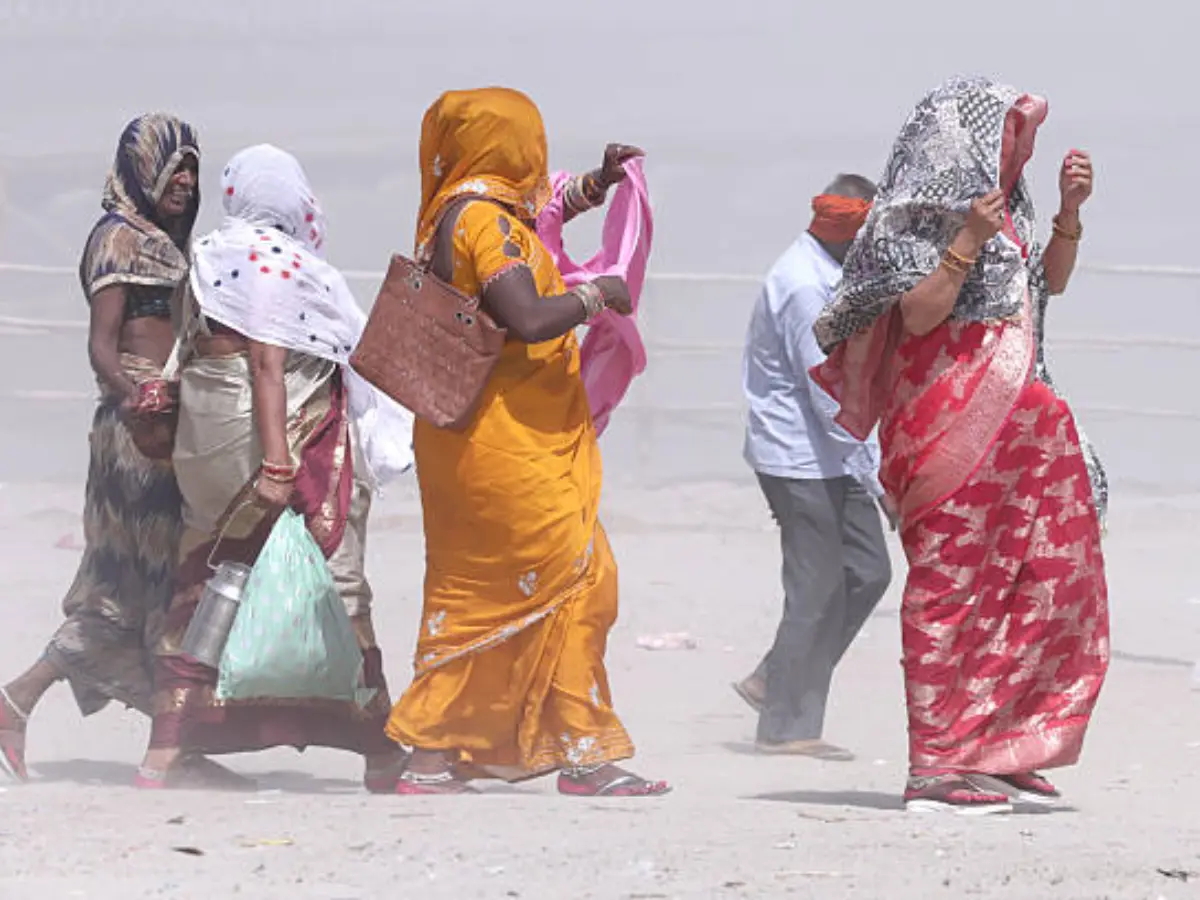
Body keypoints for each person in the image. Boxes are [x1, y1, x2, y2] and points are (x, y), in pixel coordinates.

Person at [810, 77, 1109, 814]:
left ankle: (1005, 744)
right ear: (962, 139)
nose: (1018, 149)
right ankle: (939, 764)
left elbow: (1047, 288)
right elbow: (916, 319)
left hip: (1024, 432)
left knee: (1040, 580)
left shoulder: (1013, 213)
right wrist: (967, 240)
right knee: (951, 586)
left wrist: (1068, 216)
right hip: (947, 431)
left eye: (1022, 136)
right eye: (1007, 134)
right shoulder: (907, 221)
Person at [385, 87, 668, 797]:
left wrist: (596, 186)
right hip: (507, 444)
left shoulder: (458, 210)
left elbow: (537, 219)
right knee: (579, 577)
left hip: (465, 444)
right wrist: (600, 295)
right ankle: (581, 751)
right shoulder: (485, 221)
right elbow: (529, 316)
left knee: (475, 591)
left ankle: (430, 754)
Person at [134, 144, 412, 791]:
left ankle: (163, 753)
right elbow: (266, 366)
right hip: (277, 449)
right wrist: (280, 464)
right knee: (336, 588)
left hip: (205, 449)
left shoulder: (208, 256)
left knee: (202, 587)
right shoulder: (278, 265)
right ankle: (379, 750)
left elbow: (194, 351)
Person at [0, 114, 229, 785]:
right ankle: (165, 743)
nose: (184, 182)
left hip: (167, 428)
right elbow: (103, 346)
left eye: (191, 169)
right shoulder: (118, 240)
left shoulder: (168, 242)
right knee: (137, 590)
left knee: (159, 588)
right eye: (171, 169)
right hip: (136, 436)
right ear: (140, 170)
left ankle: (164, 738)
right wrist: (143, 395)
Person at [734, 175, 893, 760]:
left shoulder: (834, 273)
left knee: (868, 572)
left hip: (834, 453)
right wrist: (883, 483)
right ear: (851, 233)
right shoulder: (805, 287)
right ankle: (785, 727)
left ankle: (775, 677)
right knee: (817, 586)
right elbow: (831, 396)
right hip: (799, 455)